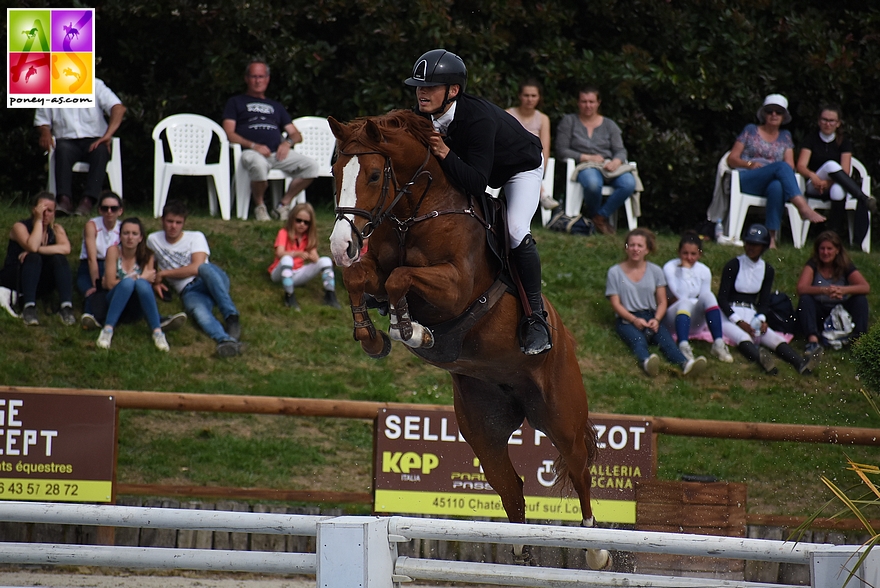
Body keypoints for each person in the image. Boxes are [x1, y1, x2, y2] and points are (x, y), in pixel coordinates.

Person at [404, 49, 550, 355]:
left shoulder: (478, 118)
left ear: (453, 90)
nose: (421, 92)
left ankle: (537, 320)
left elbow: (476, 182)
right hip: (479, 169)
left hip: (519, 169)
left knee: (514, 230)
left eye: (429, 86)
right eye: (419, 86)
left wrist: (444, 152)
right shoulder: (422, 115)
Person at [222, 60, 320, 222]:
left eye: (261, 76)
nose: (258, 80)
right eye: (254, 76)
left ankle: (283, 205)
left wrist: (287, 143)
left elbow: (296, 135)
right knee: (258, 165)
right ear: (246, 78)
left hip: (278, 153)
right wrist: (253, 146)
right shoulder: (236, 102)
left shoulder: (276, 106)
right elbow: (229, 132)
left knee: (312, 166)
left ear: (267, 79)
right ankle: (260, 206)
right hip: (251, 152)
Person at [718, 223, 819, 375]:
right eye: (749, 243)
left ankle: (799, 363)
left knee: (772, 337)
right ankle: (763, 362)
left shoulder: (767, 269)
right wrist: (738, 321)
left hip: (751, 312)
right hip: (729, 313)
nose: (751, 247)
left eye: (756, 245)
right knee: (743, 336)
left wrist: (761, 318)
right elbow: (722, 299)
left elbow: (764, 301)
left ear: (764, 247)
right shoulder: (733, 265)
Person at [726, 94, 825, 248]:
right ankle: (803, 207)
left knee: (777, 186)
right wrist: (749, 164)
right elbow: (732, 159)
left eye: (778, 112)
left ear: (783, 116)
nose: (774, 114)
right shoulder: (750, 130)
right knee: (781, 167)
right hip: (748, 177)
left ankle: (771, 239)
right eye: (770, 111)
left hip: (771, 180)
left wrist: (773, 170)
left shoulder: (785, 136)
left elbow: (790, 165)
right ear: (763, 114)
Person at [606, 228, 707, 377]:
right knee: (638, 341)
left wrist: (657, 319)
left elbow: (661, 301)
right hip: (627, 319)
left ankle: (686, 364)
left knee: (667, 342)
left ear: (647, 249)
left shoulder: (655, 271)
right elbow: (615, 304)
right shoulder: (614, 272)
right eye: (632, 245)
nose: (635, 249)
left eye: (640, 246)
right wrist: (634, 319)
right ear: (626, 248)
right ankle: (646, 362)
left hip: (651, 316)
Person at [148, 200, 242, 357]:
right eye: (170, 221)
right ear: (162, 220)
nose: (173, 226)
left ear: (184, 223)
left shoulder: (196, 237)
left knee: (204, 268)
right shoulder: (153, 240)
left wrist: (164, 274)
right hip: (189, 290)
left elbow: (196, 267)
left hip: (210, 278)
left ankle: (231, 317)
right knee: (199, 312)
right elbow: (149, 265)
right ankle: (226, 341)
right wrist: (155, 283)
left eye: (178, 223)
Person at [34, 78, 126, 216]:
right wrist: (45, 132)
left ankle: (88, 200)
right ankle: (64, 200)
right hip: (66, 140)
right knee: (62, 151)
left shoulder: (95, 84)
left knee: (101, 152)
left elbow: (118, 108)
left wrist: (108, 135)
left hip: (94, 139)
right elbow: (42, 120)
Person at [555, 86, 636, 235]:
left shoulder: (609, 125)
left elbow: (620, 150)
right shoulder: (569, 122)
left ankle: (599, 217)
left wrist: (617, 161)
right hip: (585, 166)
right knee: (593, 184)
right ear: (578, 103)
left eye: (591, 101)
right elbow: (561, 150)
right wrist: (587, 157)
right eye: (584, 101)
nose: (588, 105)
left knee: (629, 183)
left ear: (598, 103)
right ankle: (597, 219)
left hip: (609, 165)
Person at [795, 104, 876, 245]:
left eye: (831, 121)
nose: (827, 123)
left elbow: (844, 171)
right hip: (813, 185)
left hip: (833, 185)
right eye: (824, 119)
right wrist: (813, 176)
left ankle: (833, 236)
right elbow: (801, 166)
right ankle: (863, 198)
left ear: (838, 123)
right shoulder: (811, 139)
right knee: (831, 164)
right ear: (819, 121)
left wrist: (828, 183)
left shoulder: (844, 142)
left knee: (838, 190)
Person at [0, 192, 75, 326]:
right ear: (34, 209)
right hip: (17, 276)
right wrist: (38, 221)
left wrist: (38, 250)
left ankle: (66, 307)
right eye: (42, 210)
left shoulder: (56, 230)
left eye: (50, 211)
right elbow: (33, 246)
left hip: (40, 279)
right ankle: (29, 307)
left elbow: (65, 248)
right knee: (33, 257)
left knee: (58, 258)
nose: (45, 214)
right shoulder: (20, 227)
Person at [96, 218, 170, 352]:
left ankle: (158, 332)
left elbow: (147, 286)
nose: (130, 237)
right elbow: (109, 284)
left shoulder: (148, 255)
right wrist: (138, 277)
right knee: (130, 283)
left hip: (137, 304)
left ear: (141, 237)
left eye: (134, 234)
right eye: (126, 233)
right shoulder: (113, 251)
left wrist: (139, 280)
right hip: (115, 299)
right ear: (120, 236)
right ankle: (107, 330)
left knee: (141, 284)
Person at [663, 231, 733, 363]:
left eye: (693, 254)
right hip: (674, 318)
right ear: (679, 252)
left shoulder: (704, 271)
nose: (689, 258)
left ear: (699, 254)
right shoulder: (670, 267)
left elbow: (704, 299)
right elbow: (681, 294)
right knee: (685, 302)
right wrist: (685, 270)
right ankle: (683, 345)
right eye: (685, 253)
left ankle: (718, 343)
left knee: (709, 296)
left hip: (695, 321)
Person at [796, 231, 869, 354]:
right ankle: (813, 341)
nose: (825, 252)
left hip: (840, 311)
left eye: (829, 249)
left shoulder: (845, 266)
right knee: (805, 299)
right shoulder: (813, 264)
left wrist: (843, 290)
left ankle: (858, 341)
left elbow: (865, 287)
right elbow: (801, 288)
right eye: (822, 249)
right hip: (819, 309)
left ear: (837, 250)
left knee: (860, 300)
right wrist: (824, 291)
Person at [268, 202, 340, 310]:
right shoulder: (284, 232)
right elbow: (279, 253)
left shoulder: (308, 237)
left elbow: (316, 259)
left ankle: (330, 295)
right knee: (287, 259)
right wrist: (296, 254)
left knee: (325, 261)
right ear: (292, 219)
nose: (302, 224)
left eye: (306, 222)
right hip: (279, 273)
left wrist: (311, 256)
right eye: (298, 220)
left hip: (297, 273)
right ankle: (289, 296)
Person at [505, 79, 558, 210]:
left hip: (534, 159)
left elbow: (545, 147)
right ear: (520, 96)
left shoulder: (543, 119)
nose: (530, 99)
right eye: (526, 95)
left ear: (539, 98)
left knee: (530, 159)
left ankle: (541, 193)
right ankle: (543, 195)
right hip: (510, 158)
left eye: (533, 96)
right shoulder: (508, 114)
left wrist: (541, 169)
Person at [78, 190, 122, 328]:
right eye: (105, 208)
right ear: (99, 210)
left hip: (113, 266)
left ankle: (101, 318)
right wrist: (95, 282)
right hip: (90, 266)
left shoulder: (123, 228)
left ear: (120, 211)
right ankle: (90, 317)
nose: (109, 211)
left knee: (109, 290)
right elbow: (91, 258)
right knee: (92, 291)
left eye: (113, 208)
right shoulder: (92, 226)